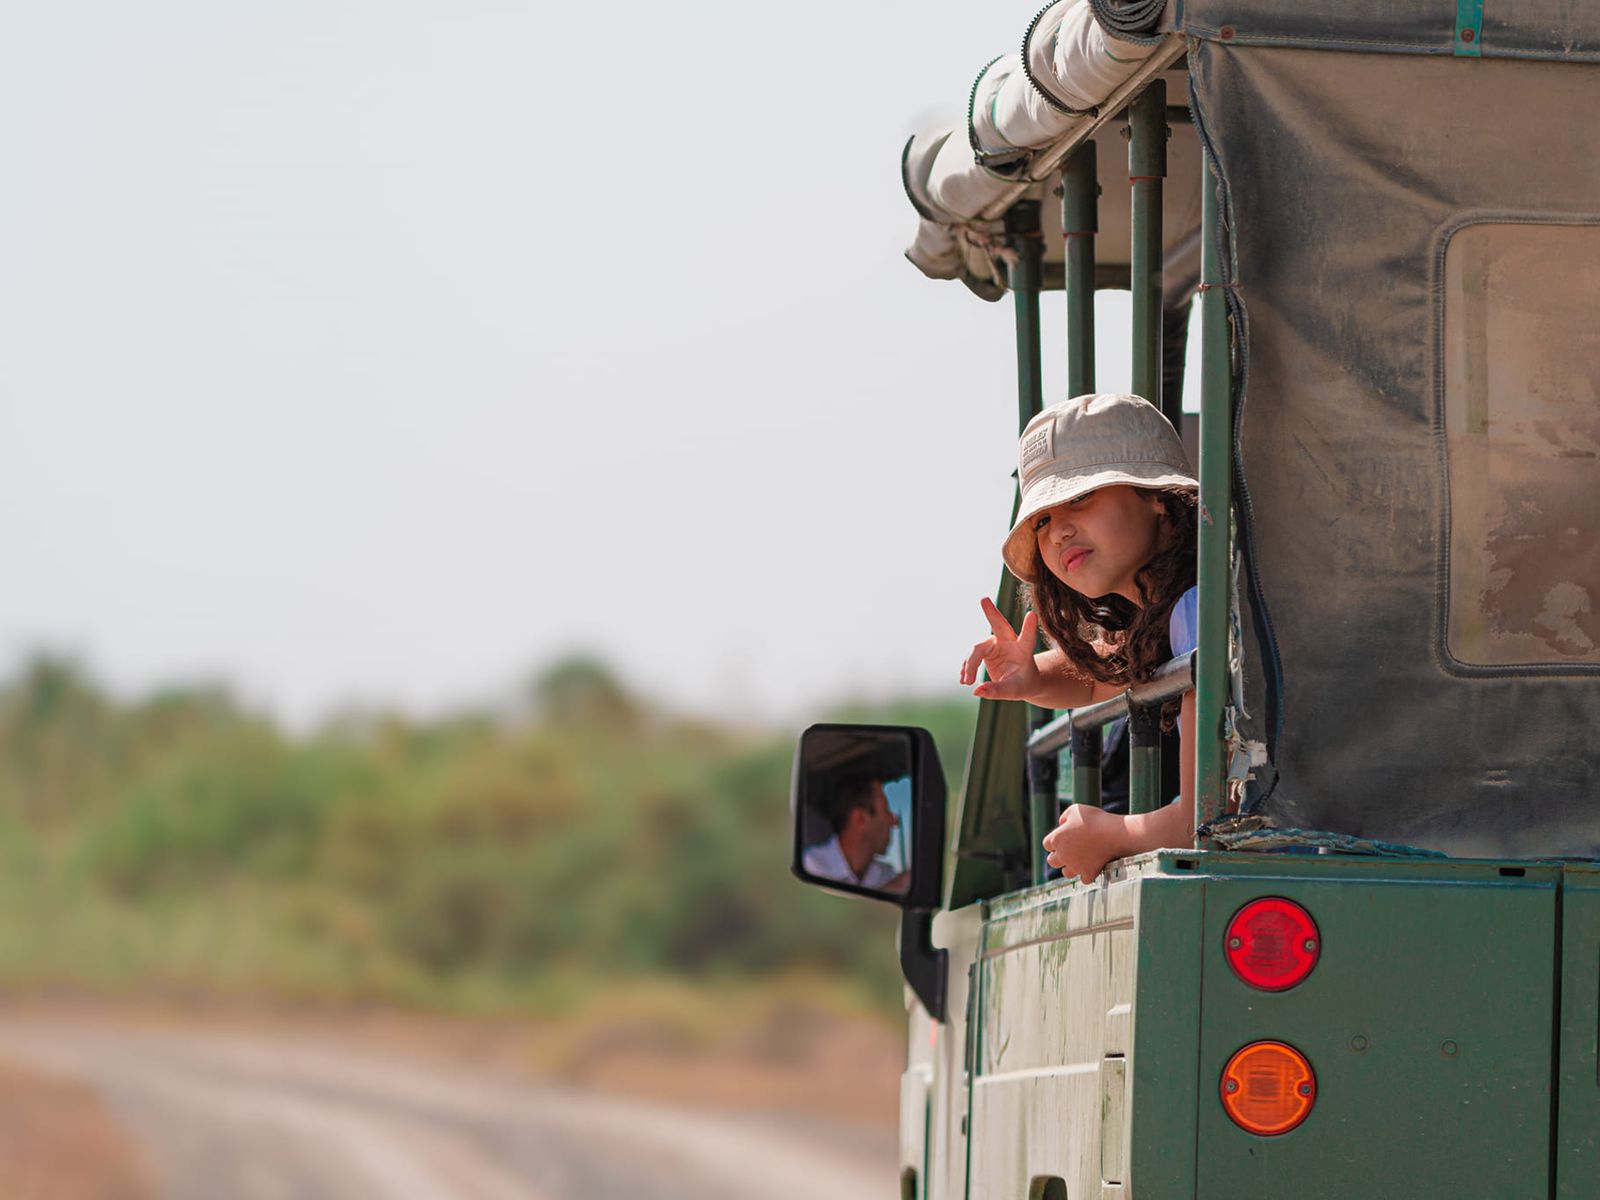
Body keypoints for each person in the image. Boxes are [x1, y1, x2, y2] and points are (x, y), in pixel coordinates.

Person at [958, 392, 1199, 883]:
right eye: (1042, 520)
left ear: (1156, 497)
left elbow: (1205, 817)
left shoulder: (1197, 610)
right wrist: (1030, 676)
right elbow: (1095, 680)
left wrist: (1110, 834)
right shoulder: (1162, 616)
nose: (1059, 531)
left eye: (1081, 498)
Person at [803, 775, 910, 892]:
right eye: (886, 810)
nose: (895, 821)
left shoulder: (885, 873)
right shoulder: (812, 867)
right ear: (861, 818)